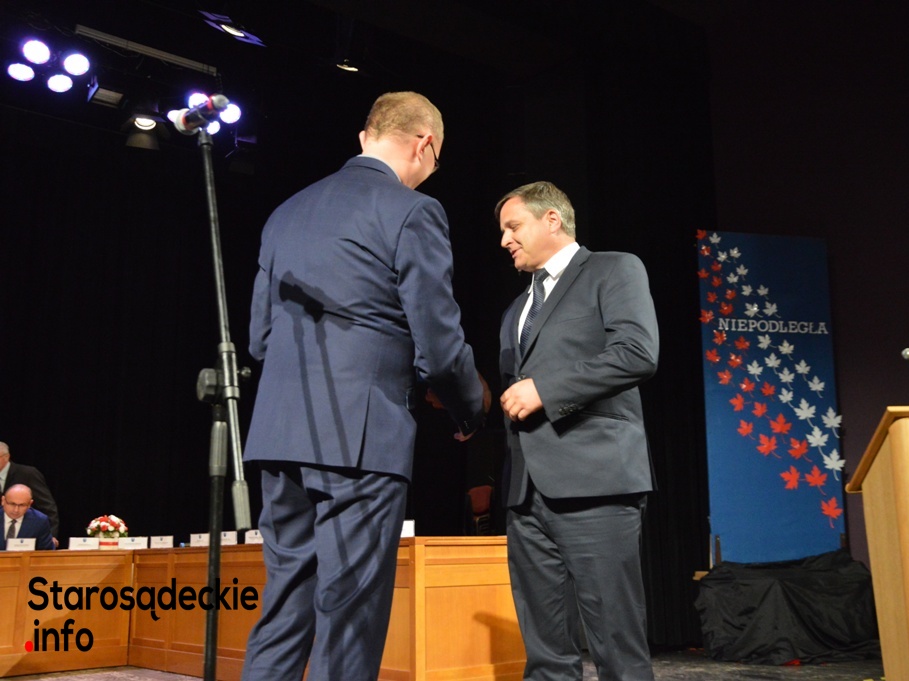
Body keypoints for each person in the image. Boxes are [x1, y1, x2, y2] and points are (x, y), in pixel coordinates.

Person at [241, 91, 486, 681]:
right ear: (425, 144)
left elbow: (259, 339)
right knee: (349, 613)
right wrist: (468, 409)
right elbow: (438, 340)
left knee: (284, 604)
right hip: (361, 436)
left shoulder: (286, 211)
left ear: (364, 138)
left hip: (278, 436)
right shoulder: (412, 210)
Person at [495, 181, 659, 680]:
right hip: (526, 495)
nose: (504, 240)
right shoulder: (515, 310)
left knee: (616, 643)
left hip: (596, 482)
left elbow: (637, 353)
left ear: (552, 219)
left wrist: (545, 389)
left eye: (513, 226)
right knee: (545, 652)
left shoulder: (614, 268)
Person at [0, 441, 60, 546]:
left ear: (6, 457)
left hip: (26, 532)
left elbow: (47, 506)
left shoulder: (27, 474)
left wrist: (50, 535)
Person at [2, 483, 56, 551]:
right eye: (12, 504)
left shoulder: (40, 521)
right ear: (3, 501)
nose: (16, 510)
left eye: (22, 505)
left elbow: (46, 552)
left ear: (29, 504)